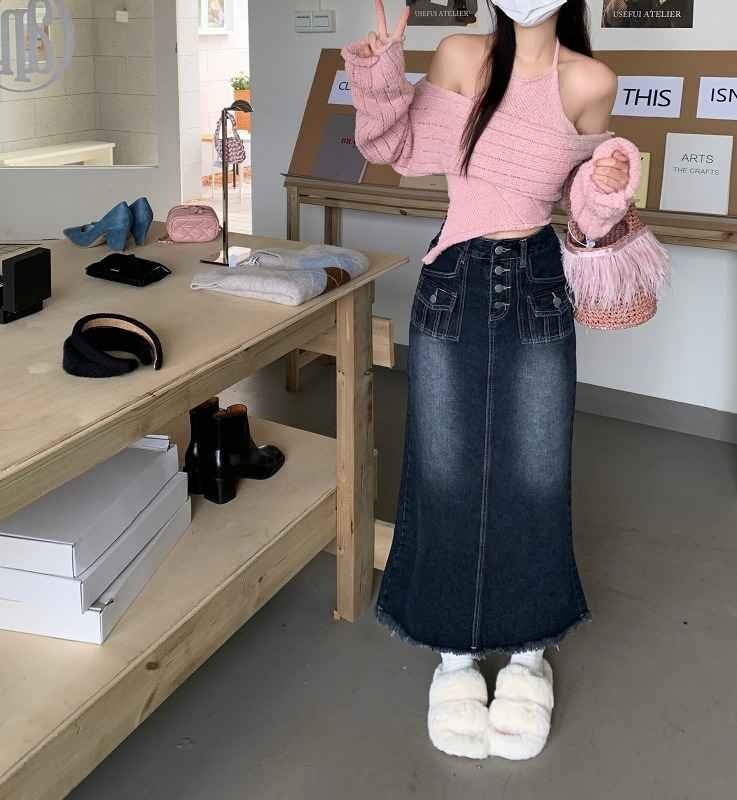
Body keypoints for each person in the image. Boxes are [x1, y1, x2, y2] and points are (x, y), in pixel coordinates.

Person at [341, 0, 638, 761]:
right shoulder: (460, 55)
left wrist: (606, 187)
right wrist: (380, 71)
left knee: (535, 472)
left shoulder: (591, 80)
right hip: (456, 277)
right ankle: (455, 657)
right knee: (445, 471)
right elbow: (398, 150)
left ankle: (529, 655)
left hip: (538, 276)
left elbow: (583, 217)